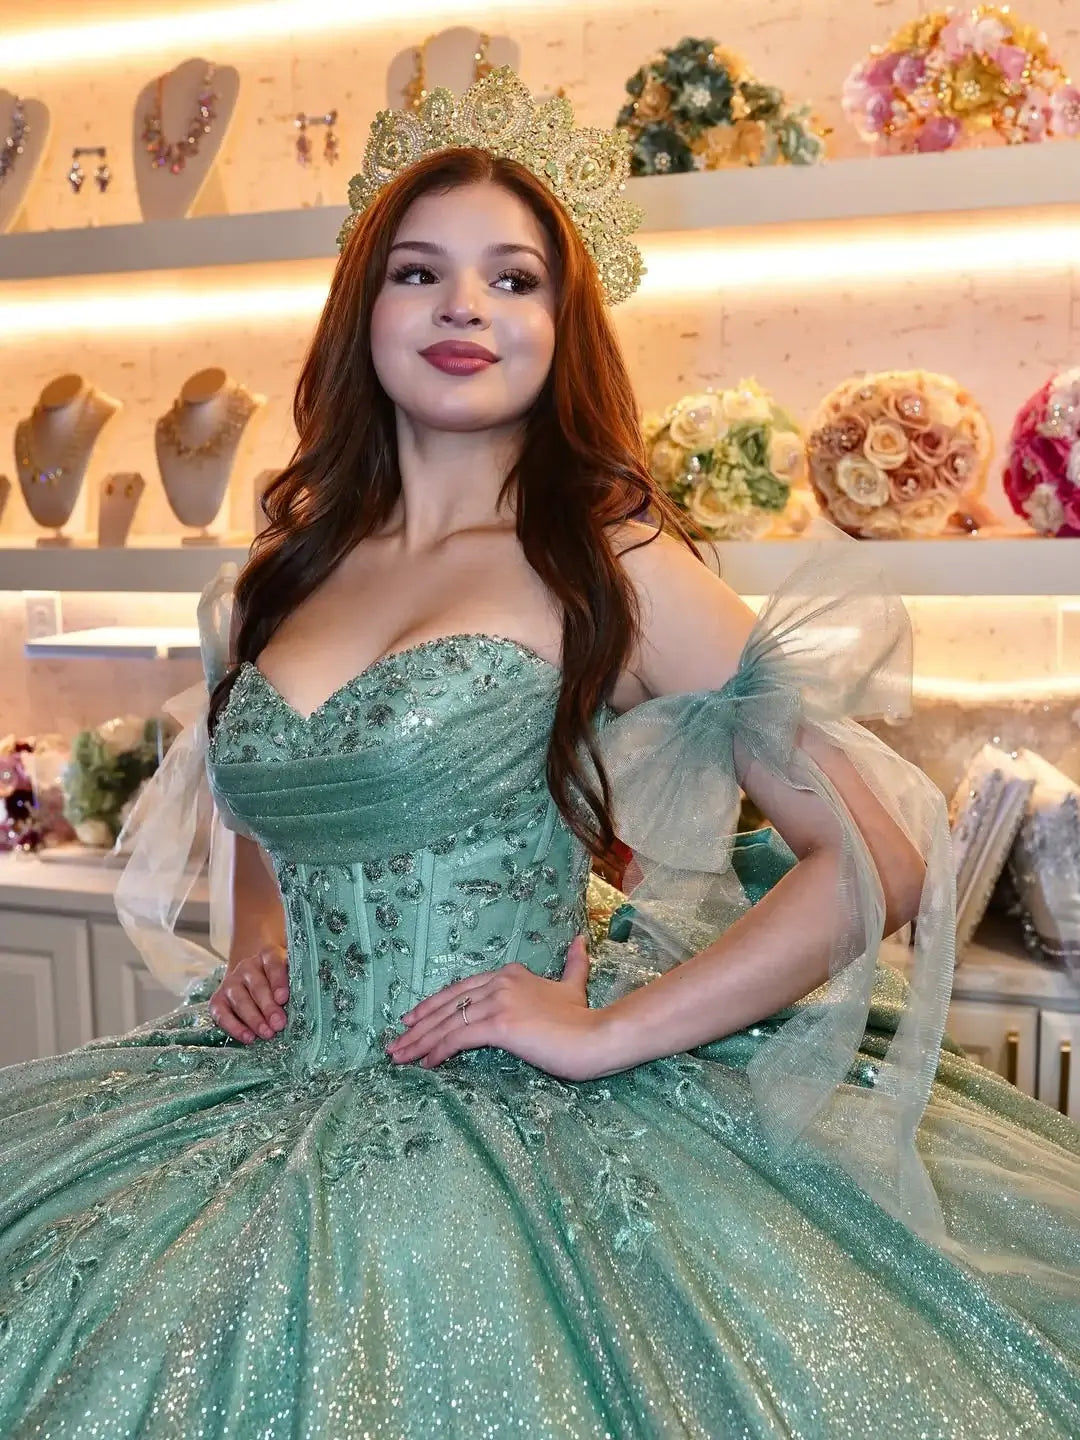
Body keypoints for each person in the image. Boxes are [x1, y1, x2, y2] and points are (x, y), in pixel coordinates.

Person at [1, 68, 1078, 1439]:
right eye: (420, 272)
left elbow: (880, 844)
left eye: (514, 279)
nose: (465, 307)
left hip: (514, 1121)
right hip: (264, 1095)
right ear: (363, 311)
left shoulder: (607, 562)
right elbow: (268, 807)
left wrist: (610, 1029)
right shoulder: (280, 575)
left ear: (562, 330)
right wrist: (259, 941)